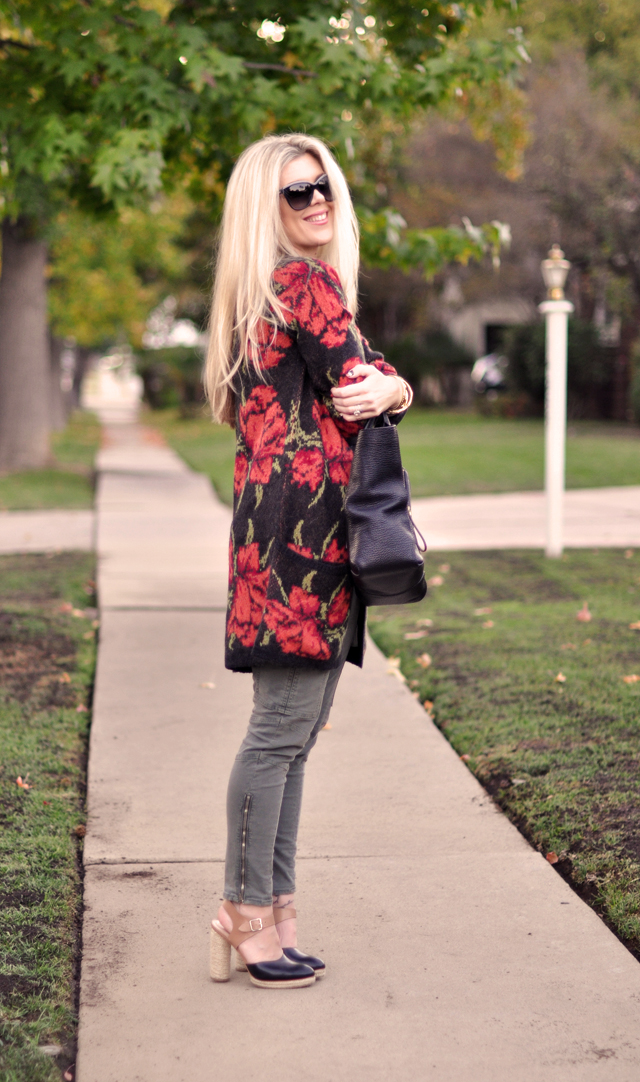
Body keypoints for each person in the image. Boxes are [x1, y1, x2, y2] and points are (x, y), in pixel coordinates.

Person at [205, 133, 413, 990]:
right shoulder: (305, 283)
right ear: (268, 207)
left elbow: (353, 386)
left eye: (323, 184)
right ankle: (246, 912)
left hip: (275, 531)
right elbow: (361, 386)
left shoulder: (257, 298)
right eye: (297, 192)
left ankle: (275, 909)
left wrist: (383, 386)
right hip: (307, 539)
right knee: (280, 736)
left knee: (291, 738)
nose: (318, 200)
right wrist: (393, 388)